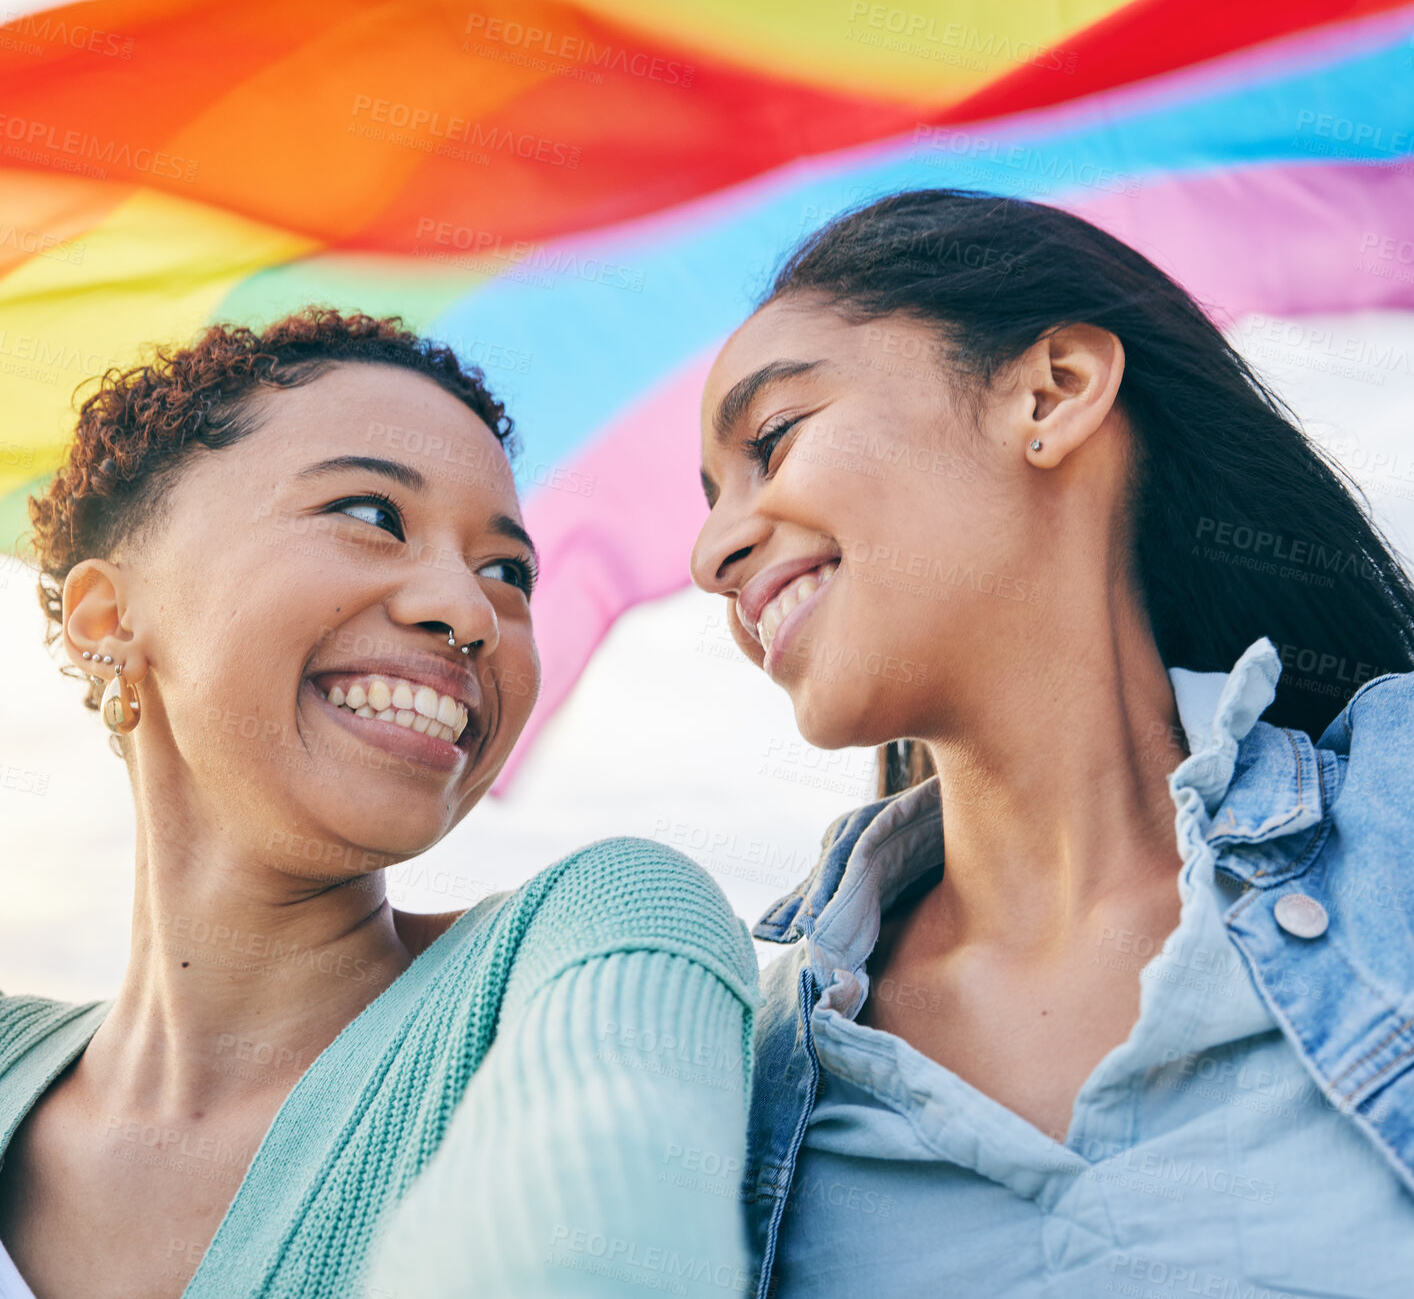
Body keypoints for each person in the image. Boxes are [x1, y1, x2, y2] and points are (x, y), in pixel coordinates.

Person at [689, 189, 1414, 1298]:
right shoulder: (737, 1079)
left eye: (772, 438)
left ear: (1053, 389)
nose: (709, 554)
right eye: (712, 496)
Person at [0, 308, 759, 1299]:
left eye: (509, 572)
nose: (469, 609)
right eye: (368, 515)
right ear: (108, 618)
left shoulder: (596, 932)